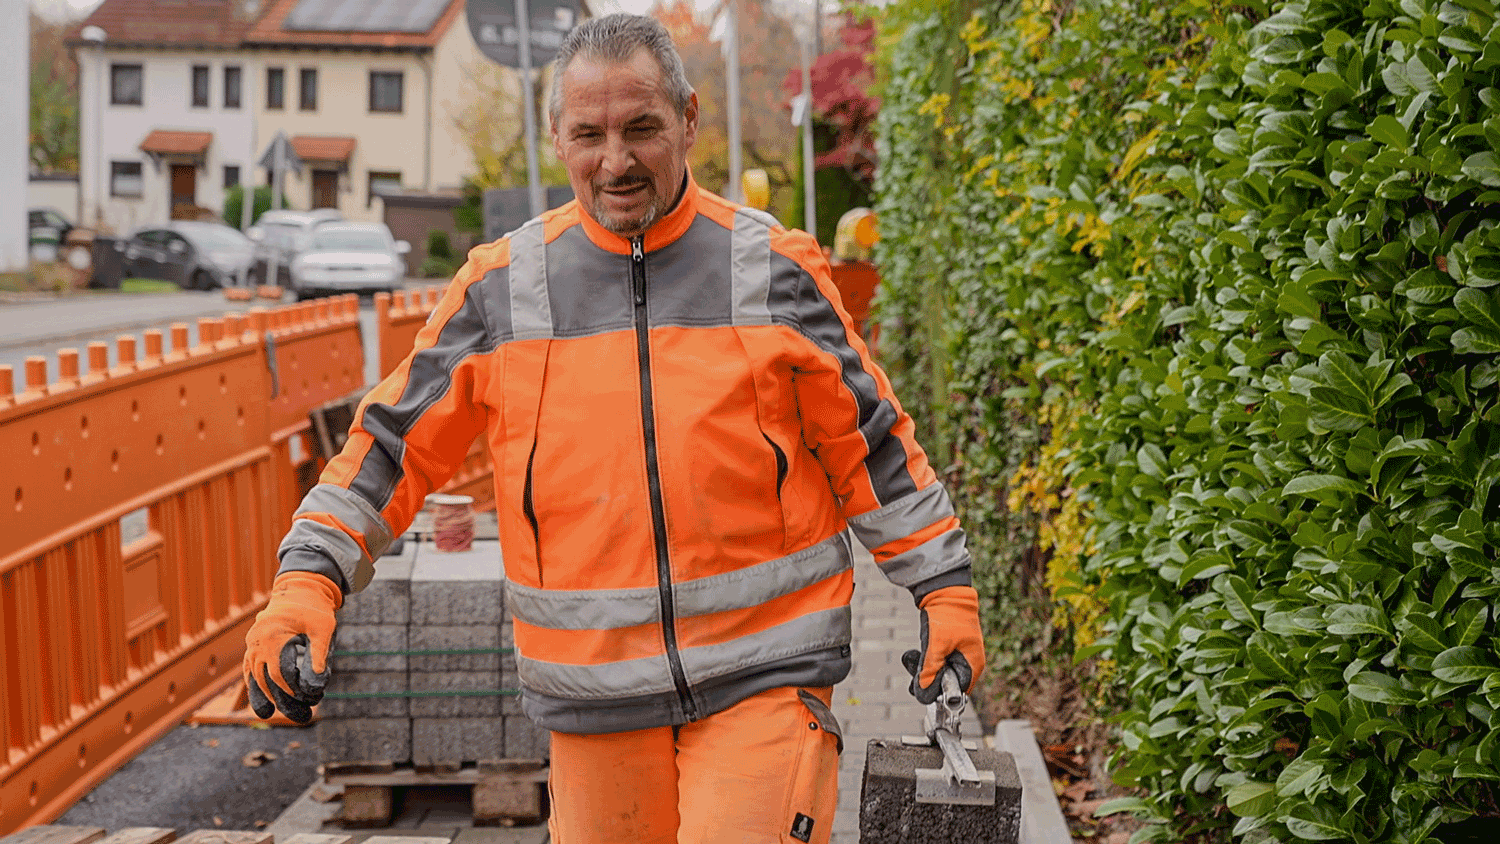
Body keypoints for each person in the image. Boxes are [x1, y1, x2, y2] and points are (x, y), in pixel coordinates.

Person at [243, 13, 985, 844]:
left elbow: (870, 445)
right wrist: (309, 580)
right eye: (589, 133)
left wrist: (942, 588)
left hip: (765, 678)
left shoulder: (772, 268)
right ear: (556, 134)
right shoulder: (499, 291)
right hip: (592, 698)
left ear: (689, 120)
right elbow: (390, 446)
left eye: (642, 128)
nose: (616, 161)